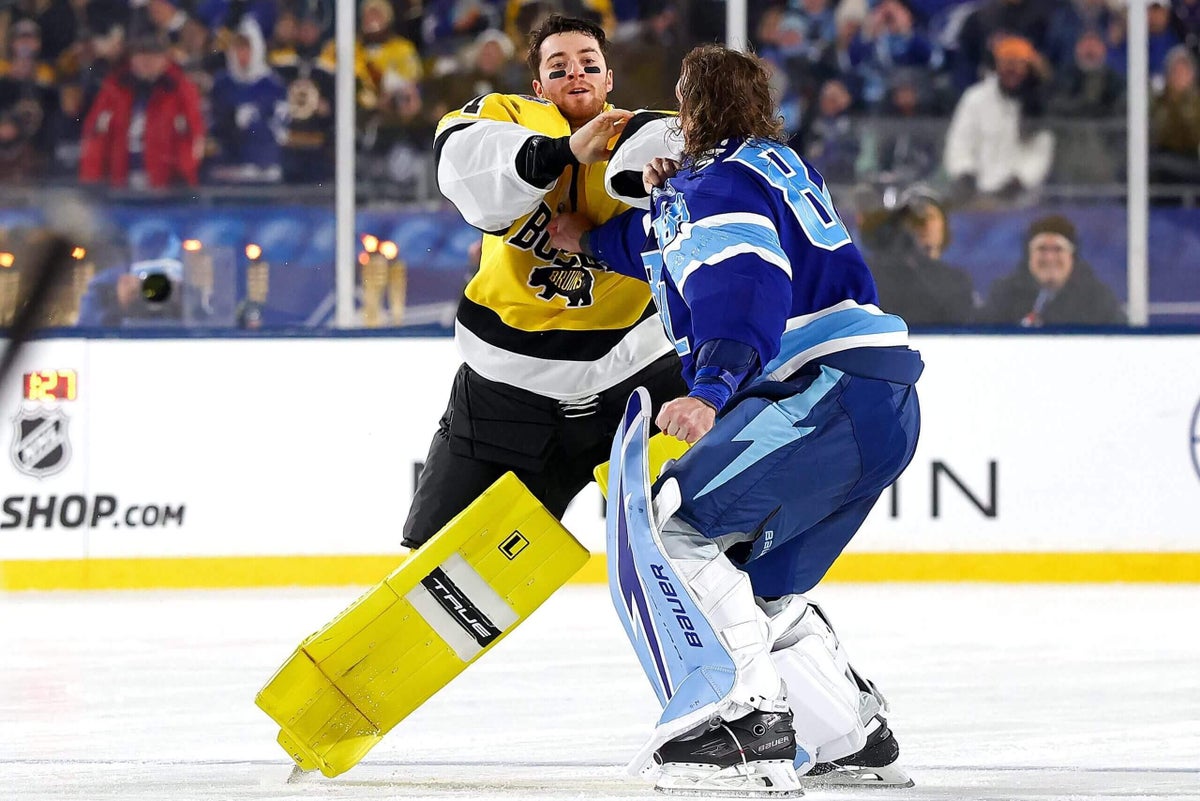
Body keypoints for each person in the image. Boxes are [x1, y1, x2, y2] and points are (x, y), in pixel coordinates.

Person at [547, 44, 921, 795]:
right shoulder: (769, 166)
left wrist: (711, 390)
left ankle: (737, 725)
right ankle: (847, 733)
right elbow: (676, 241)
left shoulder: (717, 183)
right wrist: (590, 237)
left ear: (694, 107)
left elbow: (743, 281)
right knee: (756, 580)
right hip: (882, 399)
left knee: (672, 521)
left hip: (821, 391)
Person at [401, 14, 686, 551]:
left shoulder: (657, 135)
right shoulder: (503, 119)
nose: (574, 73)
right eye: (558, 68)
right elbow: (464, 166)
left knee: (699, 531)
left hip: (634, 384)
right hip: (507, 392)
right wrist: (564, 153)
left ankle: (761, 614)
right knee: (442, 562)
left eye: (589, 64)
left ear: (609, 82)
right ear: (537, 88)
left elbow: (697, 179)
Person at [79, 32, 205, 189]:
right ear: (132, 59)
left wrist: (183, 181)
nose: (147, 61)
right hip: (120, 184)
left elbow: (192, 136)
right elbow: (96, 137)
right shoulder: (114, 89)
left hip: (166, 187)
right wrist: (92, 182)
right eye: (141, 55)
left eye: (153, 55)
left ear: (165, 59)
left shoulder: (180, 90)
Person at [980, 214, 1125, 326]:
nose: (1049, 258)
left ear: (1072, 256)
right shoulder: (1004, 294)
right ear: (1028, 255)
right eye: (1042, 249)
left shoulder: (1098, 298)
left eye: (1058, 249)